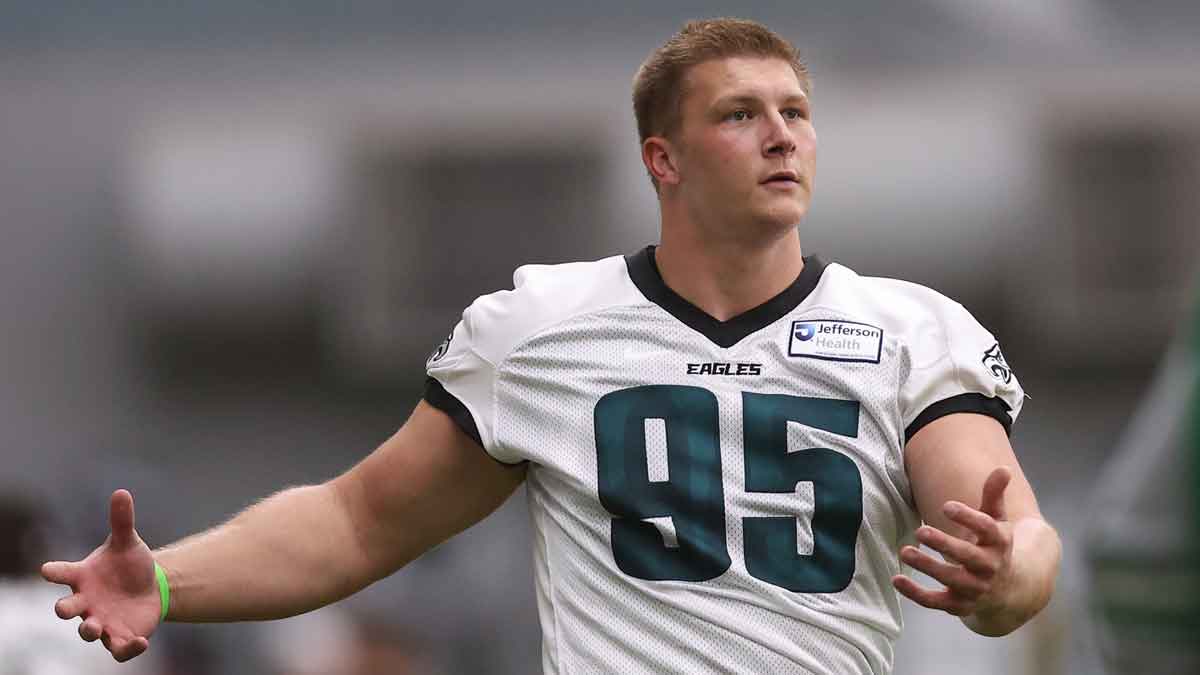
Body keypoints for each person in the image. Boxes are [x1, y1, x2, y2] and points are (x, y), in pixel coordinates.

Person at [42, 17, 1060, 673]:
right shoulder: (541, 328)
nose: (782, 136)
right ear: (664, 159)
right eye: (741, 115)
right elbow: (356, 522)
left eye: (795, 112)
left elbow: (1013, 530)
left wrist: (1007, 575)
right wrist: (165, 580)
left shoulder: (914, 329)